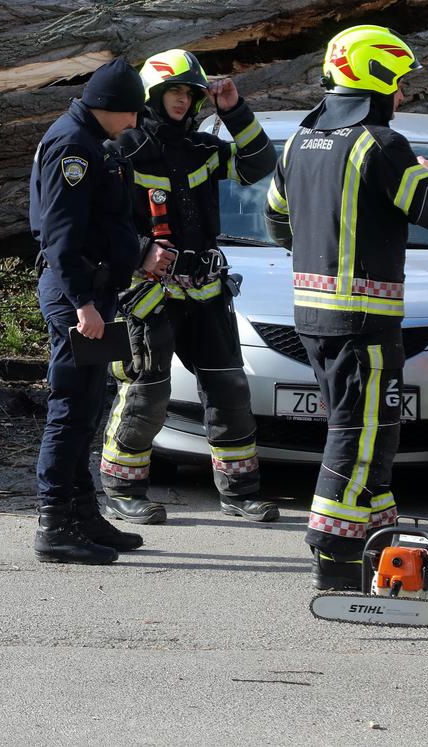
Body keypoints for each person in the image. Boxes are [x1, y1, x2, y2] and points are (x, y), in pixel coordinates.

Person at [265, 26, 428, 590]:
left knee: (368, 432)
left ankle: (379, 544)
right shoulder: (380, 145)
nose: (402, 95)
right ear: (375, 80)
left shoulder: (299, 141)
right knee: (360, 433)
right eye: (397, 83)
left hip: (313, 316)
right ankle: (334, 556)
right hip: (364, 321)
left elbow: (276, 222)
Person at [98, 50, 280, 524]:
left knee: (229, 390)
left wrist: (234, 110)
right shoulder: (121, 150)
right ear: (152, 95)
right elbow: (100, 221)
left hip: (206, 290)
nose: (182, 100)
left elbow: (260, 164)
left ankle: (239, 492)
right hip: (148, 292)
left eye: (188, 93)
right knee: (146, 393)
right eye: (173, 92)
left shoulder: (204, 147)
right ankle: (122, 489)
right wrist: (141, 251)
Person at [28, 60, 175, 564]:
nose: (135, 122)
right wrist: (83, 304)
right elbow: (60, 236)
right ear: (108, 107)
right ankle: (54, 524)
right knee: (70, 409)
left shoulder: (93, 142)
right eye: (132, 112)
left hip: (93, 291)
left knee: (87, 407)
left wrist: (137, 253)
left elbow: (104, 223)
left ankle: (82, 513)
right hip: (77, 296)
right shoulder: (72, 147)